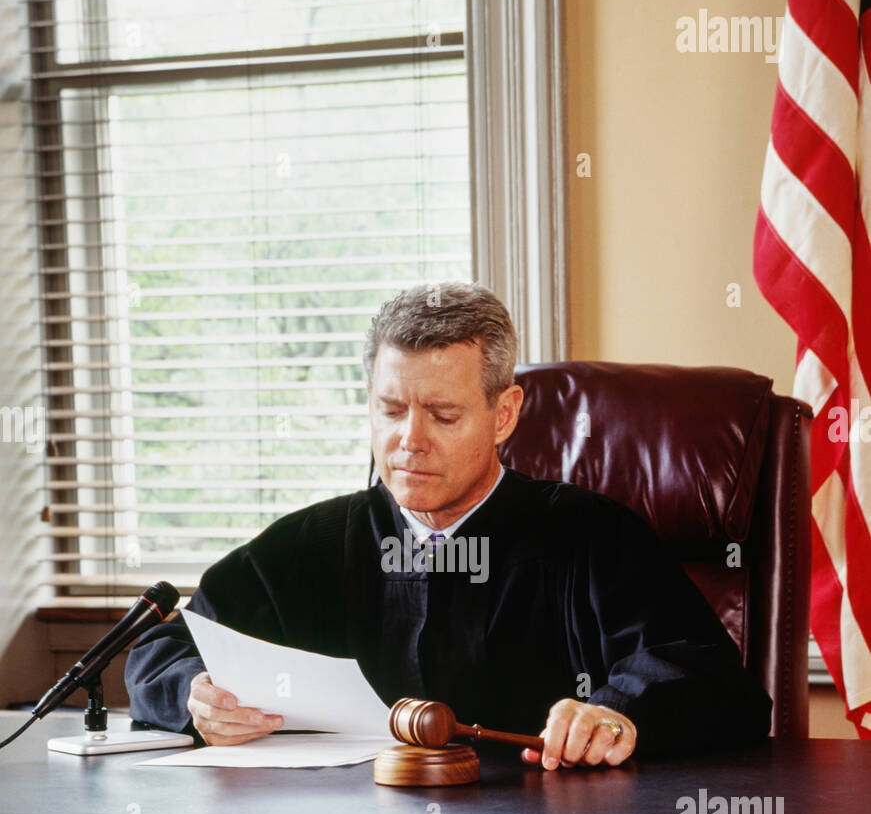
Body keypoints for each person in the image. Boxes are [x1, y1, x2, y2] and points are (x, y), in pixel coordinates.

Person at [125, 281, 772, 768]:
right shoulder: (311, 546)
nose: (410, 440)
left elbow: (714, 683)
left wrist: (616, 713)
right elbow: (165, 649)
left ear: (504, 414)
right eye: (390, 410)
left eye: (442, 415)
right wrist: (194, 695)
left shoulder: (591, 538)